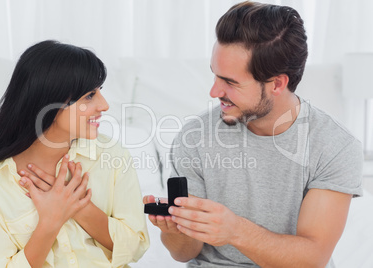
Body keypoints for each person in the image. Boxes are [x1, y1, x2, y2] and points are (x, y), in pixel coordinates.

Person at [144, 2, 363, 267]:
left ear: (277, 83)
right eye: (215, 75)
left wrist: (235, 230)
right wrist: (175, 231)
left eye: (231, 82)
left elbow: (312, 258)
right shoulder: (195, 136)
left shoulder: (334, 146)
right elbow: (184, 253)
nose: (214, 92)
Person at [0, 40, 149, 267]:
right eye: (89, 96)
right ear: (48, 102)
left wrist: (80, 207)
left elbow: (136, 246)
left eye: (99, 92)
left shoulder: (112, 155)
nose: (104, 106)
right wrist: (51, 220)